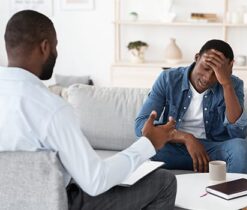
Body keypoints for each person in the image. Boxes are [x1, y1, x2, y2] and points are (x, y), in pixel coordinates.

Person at [0, 10, 177, 210]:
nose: (56, 53)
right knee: (164, 182)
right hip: (58, 204)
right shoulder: (51, 109)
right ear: (45, 47)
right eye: (56, 46)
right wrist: (148, 143)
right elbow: (95, 181)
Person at [135, 39, 247, 174]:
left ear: (229, 68)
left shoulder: (233, 84)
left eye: (216, 73)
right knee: (142, 145)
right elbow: (141, 127)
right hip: (174, 147)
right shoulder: (168, 78)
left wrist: (226, 84)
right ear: (197, 58)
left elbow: (239, 133)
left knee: (241, 148)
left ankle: (232, 194)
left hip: (212, 151)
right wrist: (186, 138)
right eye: (206, 68)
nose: (208, 78)